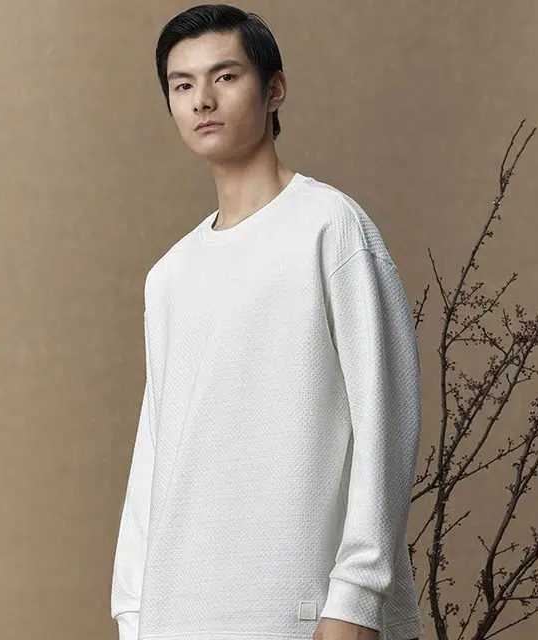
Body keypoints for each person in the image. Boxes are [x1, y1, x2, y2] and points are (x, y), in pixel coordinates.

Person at [110, 4, 423, 640]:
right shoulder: (169, 276)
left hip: (299, 608)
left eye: (225, 77)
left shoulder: (330, 229)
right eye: (182, 84)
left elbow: (386, 415)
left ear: (274, 88)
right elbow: (157, 449)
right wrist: (135, 609)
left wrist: (358, 595)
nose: (202, 100)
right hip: (177, 614)